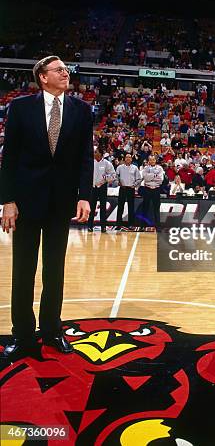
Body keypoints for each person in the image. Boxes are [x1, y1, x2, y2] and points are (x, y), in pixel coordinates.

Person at [0, 56, 93, 359]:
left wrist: (84, 195)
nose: (65, 72)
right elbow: (9, 157)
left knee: (55, 269)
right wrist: (8, 201)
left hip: (61, 202)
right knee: (23, 269)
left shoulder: (82, 109)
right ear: (42, 77)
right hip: (25, 202)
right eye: (58, 69)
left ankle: (52, 330)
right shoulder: (20, 107)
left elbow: (84, 158)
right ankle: (23, 335)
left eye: (66, 69)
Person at [88, 149, 116, 232]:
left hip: (102, 187)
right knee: (92, 207)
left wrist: (106, 178)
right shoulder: (91, 163)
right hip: (92, 187)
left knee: (103, 207)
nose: (94, 153)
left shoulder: (107, 163)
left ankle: (103, 226)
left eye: (96, 152)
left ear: (100, 154)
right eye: (94, 152)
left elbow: (113, 175)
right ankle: (90, 226)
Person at [116, 153, 141, 230]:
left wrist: (134, 185)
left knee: (131, 207)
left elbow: (139, 179)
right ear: (124, 159)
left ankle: (131, 224)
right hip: (122, 189)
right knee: (120, 207)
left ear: (131, 159)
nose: (128, 158)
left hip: (131, 189)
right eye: (126, 157)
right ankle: (118, 224)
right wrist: (118, 182)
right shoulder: (120, 167)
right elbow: (116, 176)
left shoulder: (135, 168)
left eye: (129, 157)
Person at [140, 155, 164, 231]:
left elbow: (160, 179)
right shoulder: (145, 168)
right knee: (145, 208)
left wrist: (150, 177)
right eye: (150, 160)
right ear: (148, 161)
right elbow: (145, 178)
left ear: (155, 160)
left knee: (156, 208)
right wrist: (154, 175)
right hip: (147, 189)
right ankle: (143, 225)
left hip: (156, 190)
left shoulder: (160, 168)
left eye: (153, 160)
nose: (152, 161)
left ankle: (158, 226)